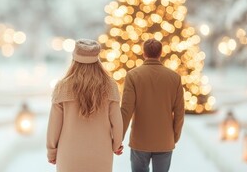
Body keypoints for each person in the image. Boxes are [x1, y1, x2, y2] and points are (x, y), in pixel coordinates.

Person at [47, 39, 124, 172]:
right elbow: (117, 123)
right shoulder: (110, 86)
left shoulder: (62, 87)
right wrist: (116, 145)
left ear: (74, 60)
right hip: (101, 155)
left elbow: (54, 126)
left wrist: (52, 152)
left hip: (69, 156)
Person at [121, 39, 185, 172]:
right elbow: (179, 113)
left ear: (144, 53)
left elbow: (126, 110)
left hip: (140, 140)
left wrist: (118, 138)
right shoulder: (174, 78)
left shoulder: (133, 76)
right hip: (165, 140)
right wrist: (174, 137)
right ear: (160, 53)